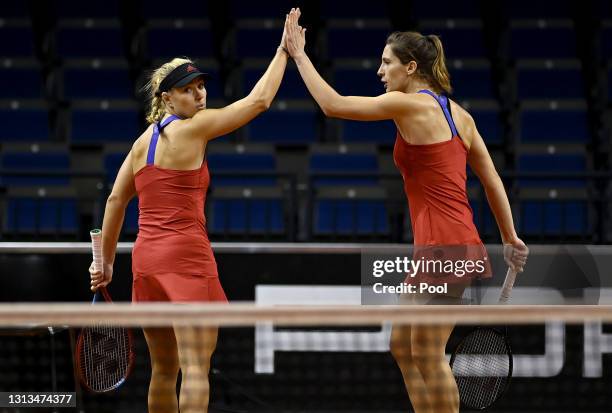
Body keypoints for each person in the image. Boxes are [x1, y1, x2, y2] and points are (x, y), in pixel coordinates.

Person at [284, 9, 529, 413]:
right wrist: (508, 235)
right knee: (403, 347)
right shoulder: (460, 115)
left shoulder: (410, 105)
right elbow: (491, 180)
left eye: (387, 63)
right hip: (447, 244)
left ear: (411, 67)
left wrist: (299, 55)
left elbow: (332, 105)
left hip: (444, 248)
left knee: (429, 354)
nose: (380, 71)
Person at [88, 11, 293, 413]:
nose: (199, 96)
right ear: (166, 97)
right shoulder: (193, 129)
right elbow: (260, 101)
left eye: (201, 87)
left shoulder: (139, 144)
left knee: (164, 370)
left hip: (146, 261)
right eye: (187, 90)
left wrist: (105, 262)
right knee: (196, 368)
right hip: (186, 257)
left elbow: (115, 202)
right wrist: (285, 51)